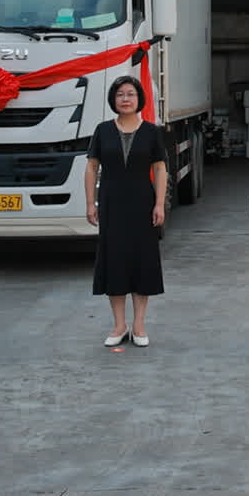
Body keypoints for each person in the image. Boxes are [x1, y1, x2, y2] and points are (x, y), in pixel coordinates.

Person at [85, 75, 168, 347]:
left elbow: (159, 168)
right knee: (115, 261)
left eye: (130, 94)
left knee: (141, 261)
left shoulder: (152, 132)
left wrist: (159, 203)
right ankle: (119, 325)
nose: (125, 99)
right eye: (120, 94)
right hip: (111, 204)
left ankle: (139, 325)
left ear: (139, 98)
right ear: (113, 99)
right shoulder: (103, 130)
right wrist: (90, 202)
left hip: (142, 204)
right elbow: (91, 167)